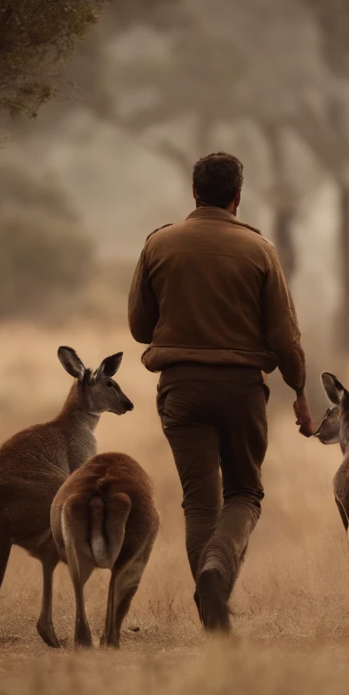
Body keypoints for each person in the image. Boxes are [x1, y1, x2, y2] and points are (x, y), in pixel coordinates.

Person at [128, 151, 313, 633]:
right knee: (245, 494)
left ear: (194, 192)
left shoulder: (158, 244)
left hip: (181, 391)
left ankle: (213, 618)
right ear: (237, 197)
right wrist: (298, 388)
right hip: (242, 393)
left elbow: (139, 327)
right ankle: (217, 572)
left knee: (200, 504)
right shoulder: (260, 251)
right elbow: (285, 337)